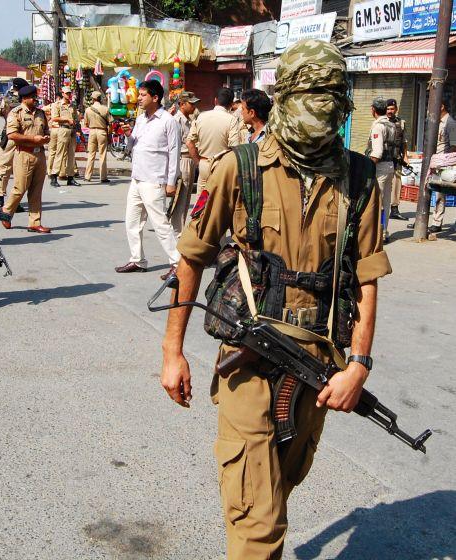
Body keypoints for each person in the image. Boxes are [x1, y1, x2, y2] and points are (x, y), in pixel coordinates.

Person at [159, 39, 391, 560]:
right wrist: (172, 352)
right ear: (282, 98)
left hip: (320, 367)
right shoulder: (236, 169)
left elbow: (369, 278)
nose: (321, 113)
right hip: (249, 361)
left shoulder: (359, 179)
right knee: (258, 522)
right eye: (310, 98)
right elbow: (191, 258)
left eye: (330, 100)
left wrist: (359, 366)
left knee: (280, 489)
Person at [115, 79, 181, 279]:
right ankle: (137, 259)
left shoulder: (168, 121)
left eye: (143, 95)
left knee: (160, 224)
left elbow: (174, 152)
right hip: (137, 178)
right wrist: (128, 136)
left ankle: (178, 263)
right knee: (132, 221)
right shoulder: (141, 119)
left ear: (155, 97)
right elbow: (131, 147)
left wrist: (171, 182)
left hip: (154, 179)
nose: (138, 98)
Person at [0, 85, 52, 234]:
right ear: (24, 98)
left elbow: (46, 130)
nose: (35, 99)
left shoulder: (41, 113)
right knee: (19, 188)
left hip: (39, 154)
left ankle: (34, 222)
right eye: (32, 97)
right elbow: (12, 135)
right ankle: (7, 213)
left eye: (35, 96)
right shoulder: (16, 113)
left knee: (36, 190)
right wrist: (33, 139)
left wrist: (45, 138)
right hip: (24, 154)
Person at [186, 87, 242, 193]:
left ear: (215, 100)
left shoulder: (201, 117)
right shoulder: (232, 120)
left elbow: (189, 142)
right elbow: (235, 147)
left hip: (204, 164)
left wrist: (198, 162)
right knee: (220, 202)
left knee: (202, 204)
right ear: (231, 104)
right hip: (222, 166)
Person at [0, 77, 28, 210]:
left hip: (8, 136)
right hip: (24, 137)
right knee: (19, 170)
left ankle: (0, 199)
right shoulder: (27, 100)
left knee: (3, 168)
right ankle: (15, 201)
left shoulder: (6, 99)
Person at [366, 96, 396, 243]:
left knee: (377, 202)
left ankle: (377, 234)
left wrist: (367, 167)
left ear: (373, 110)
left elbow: (377, 152)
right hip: (390, 166)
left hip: (380, 168)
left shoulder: (378, 126)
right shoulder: (391, 124)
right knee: (385, 202)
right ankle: (383, 232)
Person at [172, 91, 200, 235]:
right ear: (182, 104)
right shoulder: (177, 120)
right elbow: (175, 145)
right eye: (191, 103)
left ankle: (180, 227)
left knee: (186, 196)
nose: (194, 106)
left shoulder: (188, 119)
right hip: (183, 159)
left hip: (189, 160)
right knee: (181, 197)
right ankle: (177, 229)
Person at [428, 102, 456, 233]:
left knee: (440, 193)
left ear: (442, 106)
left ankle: (437, 222)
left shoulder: (450, 123)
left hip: (443, 163)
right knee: (426, 190)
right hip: (433, 161)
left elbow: (454, 146)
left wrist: (444, 161)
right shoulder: (435, 122)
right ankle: (421, 220)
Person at [51, 86, 80, 187]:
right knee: (60, 153)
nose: (68, 95)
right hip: (63, 129)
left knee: (71, 155)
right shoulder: (57, 105)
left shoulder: (73, 105)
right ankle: (54, 176)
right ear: (62, 94)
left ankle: (70, 178)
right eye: (66, 93)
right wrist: (67, 120)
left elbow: (76, 117)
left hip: (72, 130)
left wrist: (77, 123)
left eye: (69, 93)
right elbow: (54, 118)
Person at [386, 99, 408, 221]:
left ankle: (394, 209)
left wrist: (406, 157)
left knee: (397, 183)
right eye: (388, 109)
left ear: (396, 109)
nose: (390, 111)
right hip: (383, 159)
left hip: (397, 158)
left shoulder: (401, 123)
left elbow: (404, 142)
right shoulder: (382, 122)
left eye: (392, 109)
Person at [83, 90, 110, 183]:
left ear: (93, 99)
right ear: (99, 98)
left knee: (91, 154)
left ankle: (87, 176)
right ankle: (103, 177)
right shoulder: (105, 109)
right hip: (102, 132)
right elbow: (110, 122)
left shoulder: (88, 109)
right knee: (102, 155)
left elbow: (85, 123)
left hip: (92, 132)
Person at [45, 92, 62, 179]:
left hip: (54, 129)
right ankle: (58, 172)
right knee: (60, 152)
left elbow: (42, 110)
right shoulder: (62, 105)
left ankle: (50, 171)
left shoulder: (51, 106)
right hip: (59, 129)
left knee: (52, 152)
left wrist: (48, 117)